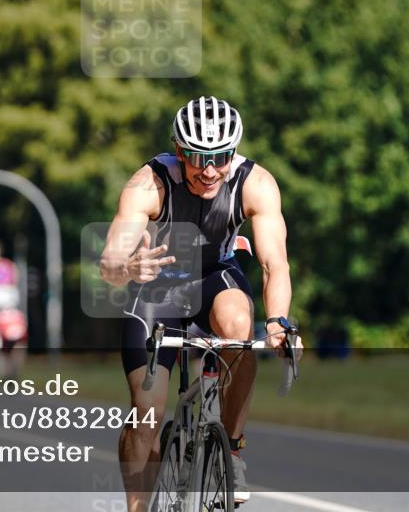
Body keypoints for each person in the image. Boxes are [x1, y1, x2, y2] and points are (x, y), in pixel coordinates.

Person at [99, 96, 294, 509]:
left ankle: (232, 447)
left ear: (233, 151)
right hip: (157, 289)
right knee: (147, 414)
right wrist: (129, 267)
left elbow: (274, 264)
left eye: (220, 157)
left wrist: (278, 321)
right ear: (179, 149)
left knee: (240, 324)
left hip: (213, 280)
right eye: (196, 157)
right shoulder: (148, 184)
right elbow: (110, 262)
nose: (208, 170)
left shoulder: (256, 183)